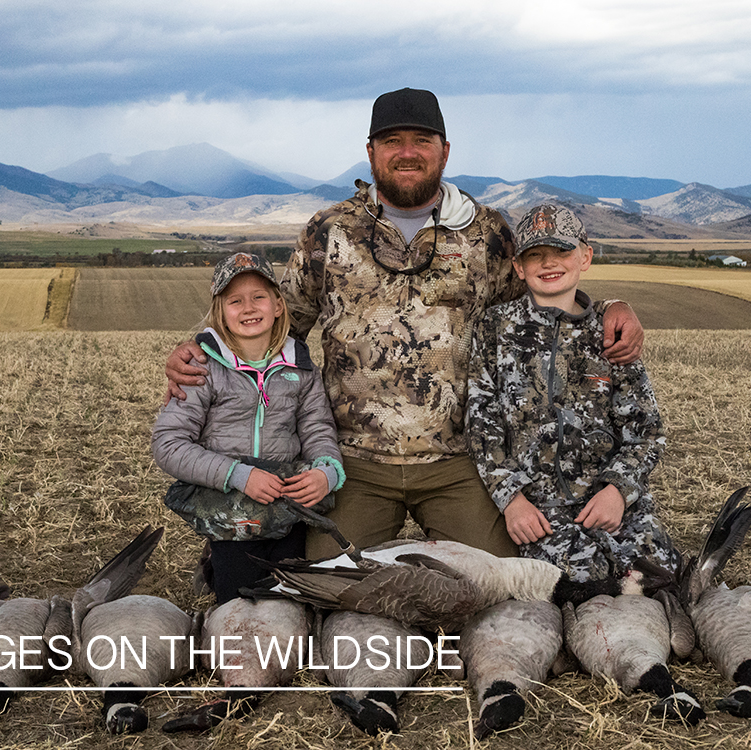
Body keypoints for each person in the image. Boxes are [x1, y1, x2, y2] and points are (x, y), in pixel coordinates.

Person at [166, 88, 644, 560]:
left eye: (422, 140)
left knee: (499, 584)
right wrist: (202, 350)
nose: (408, 153)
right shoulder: (329, 230)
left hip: (459, 461)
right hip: (354, 462)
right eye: (393, 141)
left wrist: (610, 307)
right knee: (324, 582)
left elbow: (541, 313)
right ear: (371, 152)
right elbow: (278, 323)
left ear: (445, 151)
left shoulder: (487, 233)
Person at [465, 203, 677, 581]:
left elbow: (646, 431)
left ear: (586, 257)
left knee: (660, 576)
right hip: (538, 508)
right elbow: (482, 426)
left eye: (562, 252)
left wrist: (618, 490)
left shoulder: (610, 333)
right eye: (535, 256)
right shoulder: (494, 329)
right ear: (518, 267)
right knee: (571, 584)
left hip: (610, 502)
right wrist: (511, 499)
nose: (549, 263)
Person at [151, 252, 344, 602]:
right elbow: (169, 444)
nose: (249, 307)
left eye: (259, 297)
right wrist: (239, 476)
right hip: (231, 521)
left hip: (289, 511)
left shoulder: (301, 368)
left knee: (292, 601)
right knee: (238, 603)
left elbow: (318, 431)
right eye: (235, 300)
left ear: (279, 305)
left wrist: (326, 473)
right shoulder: (200, 368)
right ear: (219, 311)